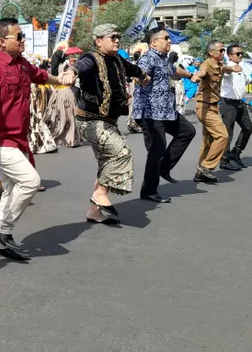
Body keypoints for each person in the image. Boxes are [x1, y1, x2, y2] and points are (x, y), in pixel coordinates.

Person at [0, 18, 75, 261]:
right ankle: (1, 229)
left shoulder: (23, 65)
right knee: (30, 181)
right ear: (2, 41)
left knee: (11, 187)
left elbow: (42, 75)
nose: (24, 40)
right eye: (19, 37)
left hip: (17, 139)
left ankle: (0, 242)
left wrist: (61, 80)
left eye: (23, 36)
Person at [69, 24, 150, 224]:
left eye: (118, 37)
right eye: (112, 37)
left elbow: (133, 68)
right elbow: (81, 65)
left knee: (106, 163)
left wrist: (143, 76)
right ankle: (101, 193)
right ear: (99, 41)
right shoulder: (91, 58)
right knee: (121, 153)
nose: (116, 40)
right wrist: (72, 71)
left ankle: (94, 211)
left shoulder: (117, 60)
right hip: (90, 121)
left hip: (109, 122)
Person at [131, 26, 197, 203]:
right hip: (150, 113)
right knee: (157, 149)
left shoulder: (164, 59)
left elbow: (174, 71)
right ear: (154, 42)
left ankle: (164, 168)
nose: (170, 41)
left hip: (167, 110)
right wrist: (141, 79)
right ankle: (149, 190)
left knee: (188, 131)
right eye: (166, 38)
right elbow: (139, 75)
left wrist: (191, 75)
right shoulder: (148, 57)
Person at [191, 40, 243, 183]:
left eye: (223, 50)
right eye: (220, 50)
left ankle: (200, 172)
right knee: (222, 136)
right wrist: (196, 76)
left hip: (213, 106)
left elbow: (223, 69)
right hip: (204, 107)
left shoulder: (219, 64)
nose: (223, 53)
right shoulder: (206, 64)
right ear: (211, 52)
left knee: (208, 140)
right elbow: (202, 72)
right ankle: (207, 167)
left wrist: (232, 69)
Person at [219, 43, 252, 171]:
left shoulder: (242, 67)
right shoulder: (228, 68)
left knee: (248, 127)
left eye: (241, 53)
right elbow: (224, 70)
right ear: (230, 56)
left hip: (239, 103)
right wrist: (232, 69)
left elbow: (247, 81)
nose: (240, 55)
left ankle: (236, 152)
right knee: (228, 132)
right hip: (228, 103)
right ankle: (224, 160)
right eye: (238, 54)